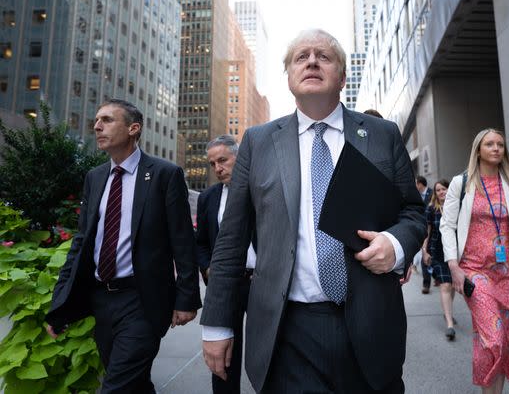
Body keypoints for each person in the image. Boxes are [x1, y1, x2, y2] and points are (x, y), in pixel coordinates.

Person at [200, 29, 425, 393]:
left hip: (369, 323)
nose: (312, 61)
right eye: (301, 56)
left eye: (324, 55)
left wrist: (395, 246)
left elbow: (413, 213)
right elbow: (231, 240)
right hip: (287, 331)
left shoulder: (382, 134)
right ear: (289, 75)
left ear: (342, 76)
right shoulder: (258, 142)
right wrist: (217, 324)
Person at [45, 99, 201, 393]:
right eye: (96, 120)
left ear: (133, 128)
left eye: (106, 119)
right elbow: (81, 244)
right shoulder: (95, 177)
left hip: (142, 299)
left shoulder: (164, 174)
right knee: (134, 383)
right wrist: (59, 304)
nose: (97, 126)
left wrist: (187, 298)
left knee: (116, 386)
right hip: (101, 298)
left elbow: (182, 239)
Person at [441, 128, 509, 393]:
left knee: (500, 339)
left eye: (500, 144)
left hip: (508, 274)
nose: (496, 148)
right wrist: (453, 265)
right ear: (478, 150)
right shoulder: (462, 183)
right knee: (495, 336)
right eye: (490, 144)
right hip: (474, 271)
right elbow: (447, 225)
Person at [196, 134, 255, 394]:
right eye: (212, 164)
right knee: (223, 359)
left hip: (262, 284)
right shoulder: (208, 197)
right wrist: (208, 269)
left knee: (270, 351)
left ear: (239, 158)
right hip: (225, 286)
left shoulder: (262, 188)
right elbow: (200, 243)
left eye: (222, 160)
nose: (218, 169)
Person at [421, 179, 457, 340]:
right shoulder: (431, 209)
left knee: (453, 286)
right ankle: (449, 323)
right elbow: (426, 233)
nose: (442, 192)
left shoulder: (457, 207)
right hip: (437, 253)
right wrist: (424, 251)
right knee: (446, 285)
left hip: (455, 254)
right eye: (438, 190)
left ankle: (447, 312)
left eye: (444, 189)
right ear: (435, 194)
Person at [416, 175, 434, 294]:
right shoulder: (415, 195)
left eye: (415, 183)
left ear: (420, 184)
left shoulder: (433, 193)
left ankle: (437, 276)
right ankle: (426, 284)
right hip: (423, 228)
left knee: (435, 254)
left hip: (435, 228)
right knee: (425, 253)